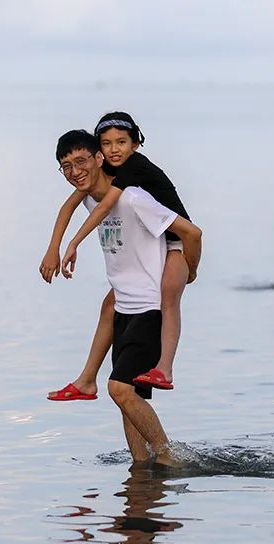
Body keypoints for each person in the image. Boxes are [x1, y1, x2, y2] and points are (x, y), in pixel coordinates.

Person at [54, 129, 202, 465]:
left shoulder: (134, 198)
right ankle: (141, 475)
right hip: (124, 306)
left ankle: (169, 460)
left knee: (119, 389)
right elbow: (70, 208)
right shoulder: (91, 198)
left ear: (99, 159)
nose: (75, 171)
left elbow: (192, 232)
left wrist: (190, 270)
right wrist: (56, 248)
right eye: (66, 166)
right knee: (127, 398)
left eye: (81, 162)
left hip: (150, 308)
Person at [42, 112, 193, 399]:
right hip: (160, 240)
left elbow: (104, 209)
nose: (114, 150)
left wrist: (73, 243)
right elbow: (68, 206)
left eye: (121, 142)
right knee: (109, 305)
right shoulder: (104, 175)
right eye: (107, 143)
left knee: (168, 297)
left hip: (177, 242)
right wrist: (53, 248)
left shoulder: (130, 171)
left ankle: (165, 368)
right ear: (100, 149)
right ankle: (86, 380)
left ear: (135, 144)